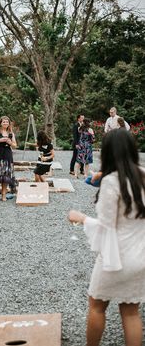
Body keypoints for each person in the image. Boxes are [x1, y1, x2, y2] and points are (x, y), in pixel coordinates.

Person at [69, 128, 145, 346]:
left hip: (116, 257)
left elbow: (106, 227)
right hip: (141, 256)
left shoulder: (111, 182)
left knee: (96, 306)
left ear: (108, 152)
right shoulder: (143, 176)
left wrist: (81, 218)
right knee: (131, 312)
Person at [0, 116, 17, 201]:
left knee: (6, 177)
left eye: (7, 122)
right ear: (0, 123)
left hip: (7, 155)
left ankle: (4, 195)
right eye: (4, 122)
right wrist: (0, 140)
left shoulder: (11, 133)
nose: (5, 123)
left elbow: (15, 145)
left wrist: (10, 142)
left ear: (9, 124)